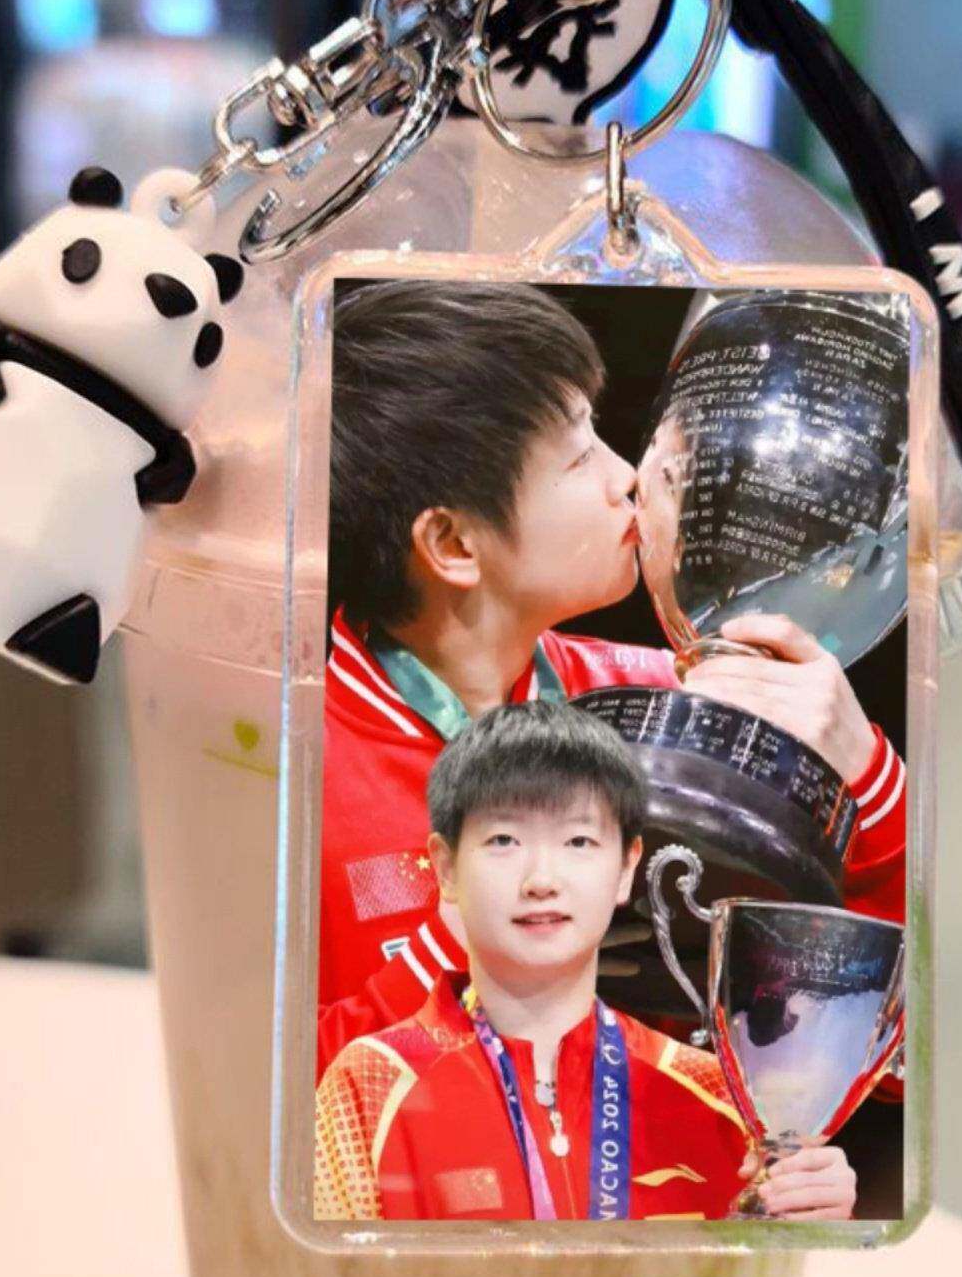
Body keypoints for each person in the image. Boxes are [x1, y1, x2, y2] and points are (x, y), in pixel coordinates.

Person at [317, 280, 907, 1077]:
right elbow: (264, 1098)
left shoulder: (679, 709)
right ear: (453, 544)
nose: (627, 475)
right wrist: (465, 941)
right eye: (576, 456)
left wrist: (870, 784)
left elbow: (881, 1067)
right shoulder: (290, 770)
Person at [314, 702, 857, 1222]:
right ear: (446, 868)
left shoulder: (725, 1097)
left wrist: (818, 1224)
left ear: (626, 868)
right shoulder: (371, 1084)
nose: (541, 880)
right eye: (503, 839)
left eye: (578, 841)